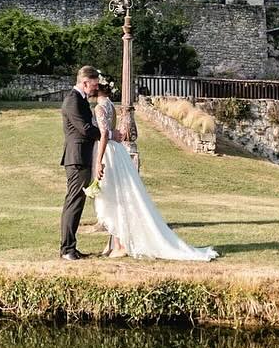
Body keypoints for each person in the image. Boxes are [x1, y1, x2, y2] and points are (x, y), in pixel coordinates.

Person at [91, 90, 218, 262]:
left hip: (109, 153)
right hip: (117, 151)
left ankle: (120, 245)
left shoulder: (100, 108)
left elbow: (105, 133)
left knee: (115, 197)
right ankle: (114, 243)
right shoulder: (110, 105)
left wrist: (99, 159)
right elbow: (114, 130)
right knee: (121, 195)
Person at [59, 65, 111, 261]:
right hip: (77, 157)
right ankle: (66, 249)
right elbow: (85, 129)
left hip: (82, 156)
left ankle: (70, 247)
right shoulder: (72, 100)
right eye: (94, 85)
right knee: (73, 202)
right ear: (85, 82)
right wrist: (109, 135)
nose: (96, 89)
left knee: (77, 202)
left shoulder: (80, 99)